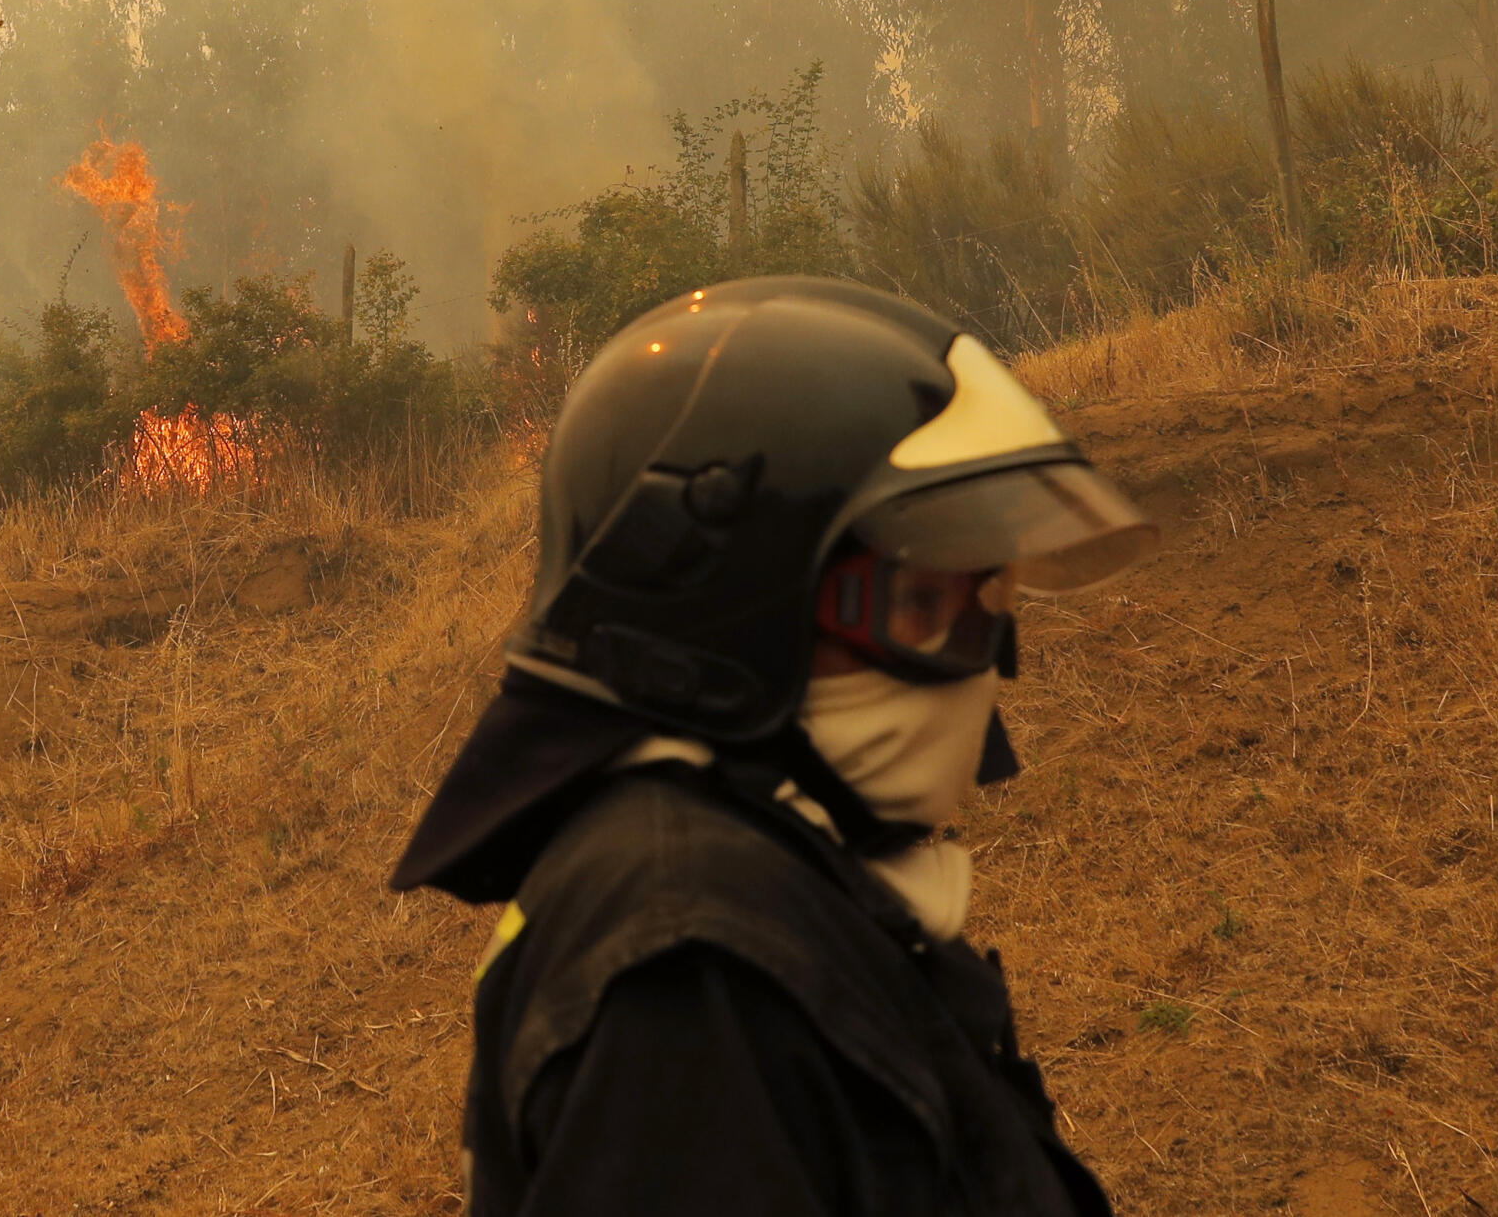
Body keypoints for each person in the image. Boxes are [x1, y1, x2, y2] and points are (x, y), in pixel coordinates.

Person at [392, 277, 1157, 1216]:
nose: (980, 667)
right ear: (733, 611)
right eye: (920, 606)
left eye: (983, 604)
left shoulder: (765, 875)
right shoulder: (689, 979)